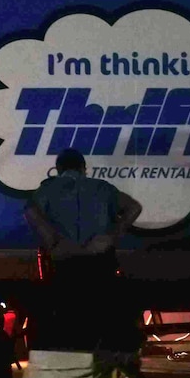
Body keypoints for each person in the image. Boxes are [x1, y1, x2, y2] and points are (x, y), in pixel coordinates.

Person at [24, 148, 143, 352]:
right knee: (104, 318)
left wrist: (53, 240)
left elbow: (30, 211)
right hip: (99, 261)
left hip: (66, 262)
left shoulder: (48, 189)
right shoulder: (102, 188)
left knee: (68, 319)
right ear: (84, 168)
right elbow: (134, 207)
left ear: (58, 169)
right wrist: (112, 236)